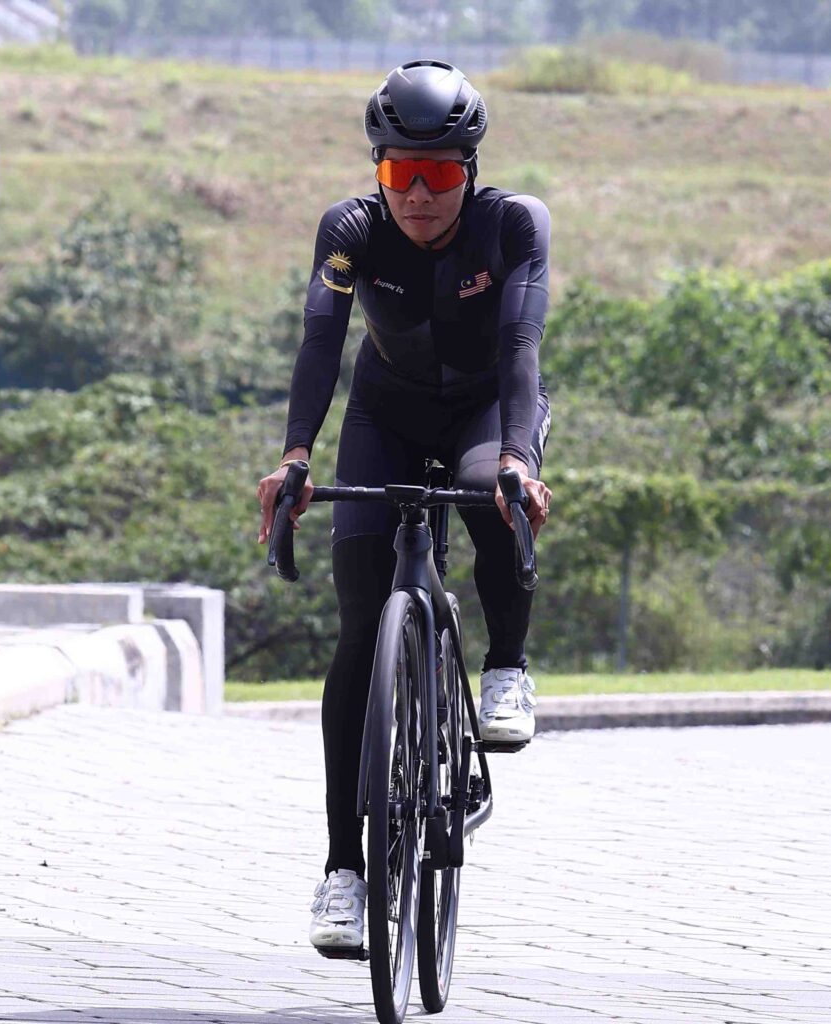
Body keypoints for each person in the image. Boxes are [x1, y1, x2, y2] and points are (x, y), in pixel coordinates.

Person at [256, 59, 553, 955]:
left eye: (438, 173)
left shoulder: (511, 225)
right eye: (398, 172)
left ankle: (506, 665)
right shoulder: (351, 231)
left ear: (470, 168)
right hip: (384, 410)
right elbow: (321, 339)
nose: (418, 193)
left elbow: (521, 343)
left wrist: (518, 458)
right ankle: (344, 871)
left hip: (485, 409)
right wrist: (295, 457)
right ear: (377, 169)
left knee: (493, 491)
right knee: (358, 628)